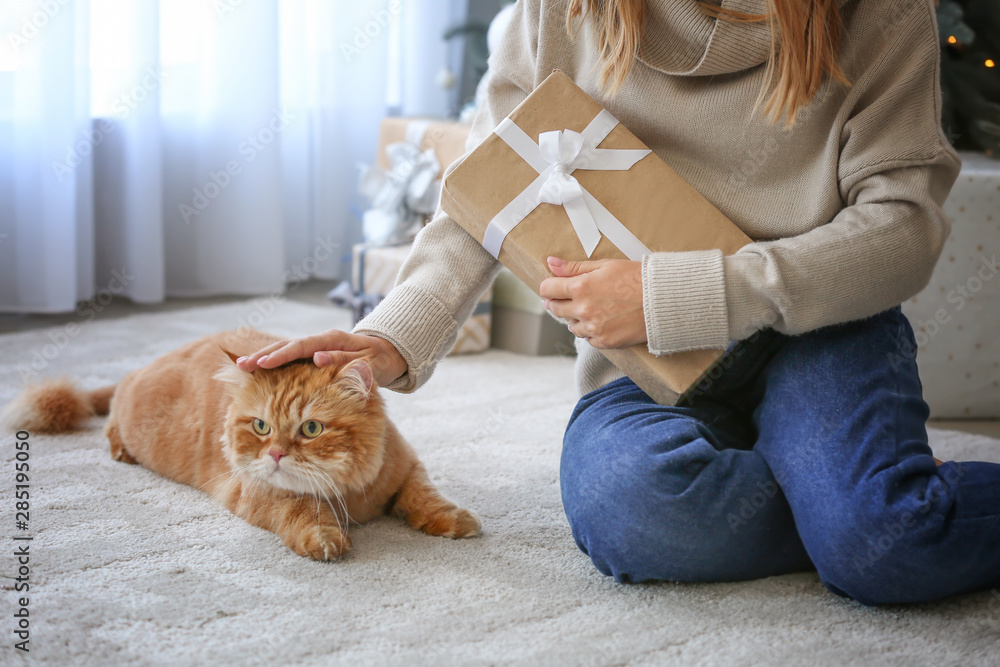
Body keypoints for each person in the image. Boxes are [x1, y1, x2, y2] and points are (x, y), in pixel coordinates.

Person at [237, 0, 1000, 606]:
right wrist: (391, 339)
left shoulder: (882, 9)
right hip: (639, 367)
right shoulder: (560, 8)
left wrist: (690, 294)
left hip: (822, 334)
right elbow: (489, 193)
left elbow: (904, 223)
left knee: (887, 544)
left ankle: (862, 504)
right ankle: (847, 491)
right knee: (628, 510)